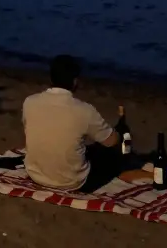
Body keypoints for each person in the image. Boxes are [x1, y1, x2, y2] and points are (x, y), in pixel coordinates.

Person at [21, 55, 152, 192]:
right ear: (75, 81)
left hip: (36, 175)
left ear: (51, 78)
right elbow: (112, 141)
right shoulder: (84, 110)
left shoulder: (30, 102)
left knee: (89, 148)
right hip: (71, 182)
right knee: (111, 155)